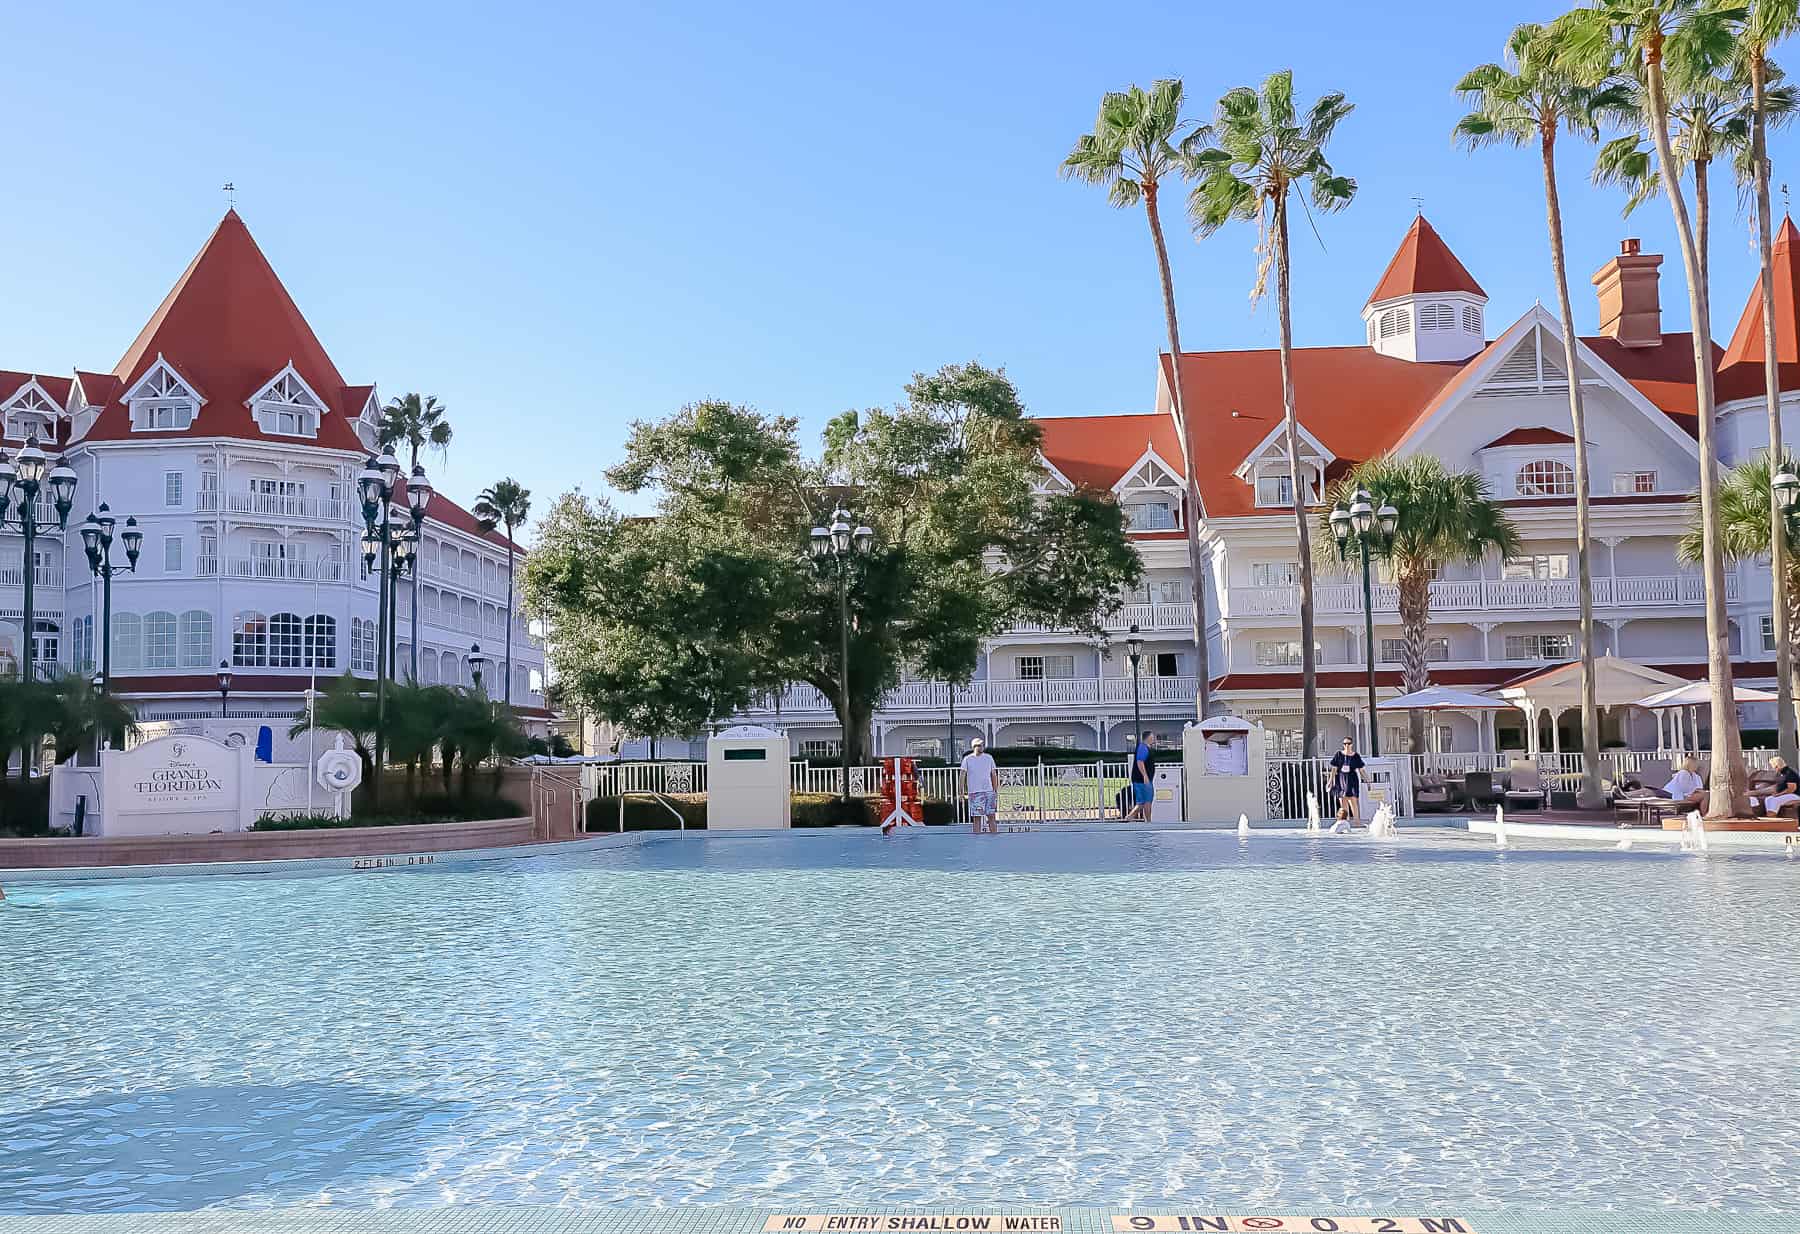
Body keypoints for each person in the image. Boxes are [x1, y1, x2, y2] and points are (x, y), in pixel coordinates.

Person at [960, 737, 999, 834]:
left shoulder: (989, 758)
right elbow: (962, 776)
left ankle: (994, 838)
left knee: (991, 816)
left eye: (981, 745)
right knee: (977, 818)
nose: (980, 747)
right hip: (974, 792)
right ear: (974, 747)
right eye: (978, 745)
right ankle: (977, 840)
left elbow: (993, 774)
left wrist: (995, 790)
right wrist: (961, 792)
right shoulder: (967, 759)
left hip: (988, 791)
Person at [1330, 737, 1365, 823]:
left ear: (1352, 744)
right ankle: (1345, 822)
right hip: (1341, 779)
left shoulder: (1356, 756)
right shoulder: (1338, 754)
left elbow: (1361, 770)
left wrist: (1368, 781)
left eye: (1348, 743)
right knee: (1343, 800)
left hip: (1352, 779)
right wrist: (1330, 781)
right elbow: (1334, 769)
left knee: (1353, 800)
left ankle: (1357, 821)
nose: (1347, 745)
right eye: (1345, 744)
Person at [1128, 731, 1155, 820]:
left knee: (1142, 802)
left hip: (1141, 779)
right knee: (1146, 801)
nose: (1153, 738)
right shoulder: (1143, 747)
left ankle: (1128, 818)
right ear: (1148, 738)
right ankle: (1148, 822)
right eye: (1152, 736)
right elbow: (1140, 762)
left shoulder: (1145, 747)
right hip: (1142, 780)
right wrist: (1145, 776)